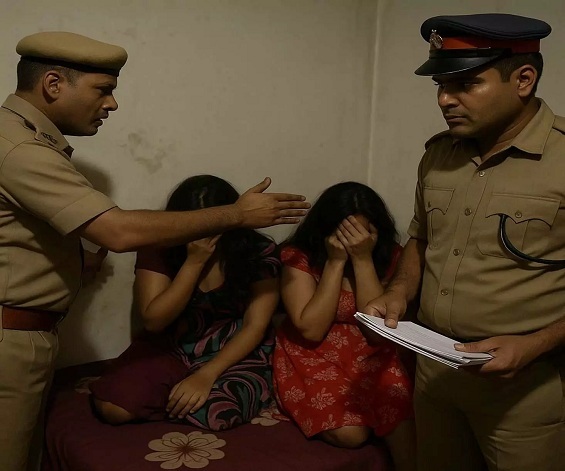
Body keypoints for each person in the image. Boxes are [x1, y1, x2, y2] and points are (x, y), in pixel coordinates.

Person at [0, 32, 309, 471]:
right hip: (12, 335)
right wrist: (234, 216)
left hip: (32, 331)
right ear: (53, 84)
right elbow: (121, 234)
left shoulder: (26, 141)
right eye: (103, 90)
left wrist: (77, 259)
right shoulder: (20, 148)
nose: (112, 104)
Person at [364, 13, 565, 471]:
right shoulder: (439, 155)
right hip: (435, 370)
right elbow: (421, 239)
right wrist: (398, 292)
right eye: (440, 85)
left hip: (525, 384)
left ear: (524, 79)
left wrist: (536, 344)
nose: (444, 99)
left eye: (466, 84)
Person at [90, 175, 280, 431]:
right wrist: (194, 262)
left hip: (232, 348)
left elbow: (255, 326)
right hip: (172, 345)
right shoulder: (159, 246)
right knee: (114, 408)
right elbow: (155, 321)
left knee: (215, 412)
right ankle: (171, 393)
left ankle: (177, 395)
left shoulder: (257, 250)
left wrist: (206, 375)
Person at [273, 182, 416, 471]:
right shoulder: (299, 256)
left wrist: (363, 259)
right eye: (345, 234)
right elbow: (311, 330)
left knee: (399, 416)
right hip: (313, 351)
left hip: (370, 347)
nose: (353, 242)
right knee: (352, 434)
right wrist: (335, 262)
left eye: (361, 234)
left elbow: (376, 329)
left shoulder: (391, 256)